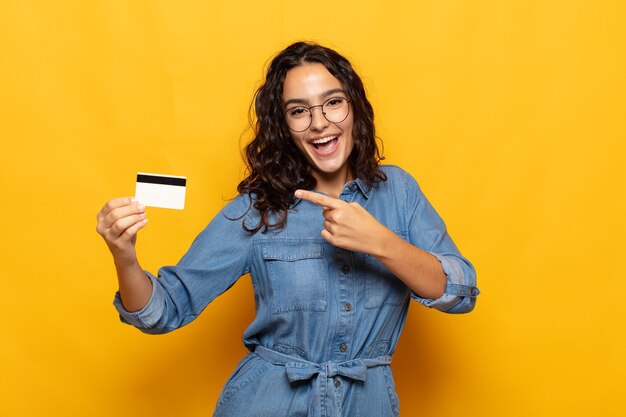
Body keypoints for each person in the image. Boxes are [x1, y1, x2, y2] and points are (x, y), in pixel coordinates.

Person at [96, 41, 479, 417]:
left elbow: (460, 292)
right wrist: (124, 256)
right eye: (299, 111)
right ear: (284, 126)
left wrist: (381, 242)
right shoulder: (257, 207)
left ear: (355, 108)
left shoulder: (399, 192)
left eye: (333, 102)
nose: (319, 123)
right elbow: (165, 309)